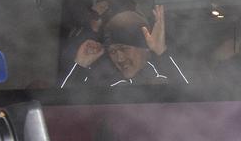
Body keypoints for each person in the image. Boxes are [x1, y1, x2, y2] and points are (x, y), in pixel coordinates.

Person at [60, 5, 190, 87]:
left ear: (145, 48)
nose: (120, 58)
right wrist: (80, 65)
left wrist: (162, 53)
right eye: (112, 51)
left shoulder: (164, 79)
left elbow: (193, 102)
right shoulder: (107, 85)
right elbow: (63, 109)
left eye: (124, 48)